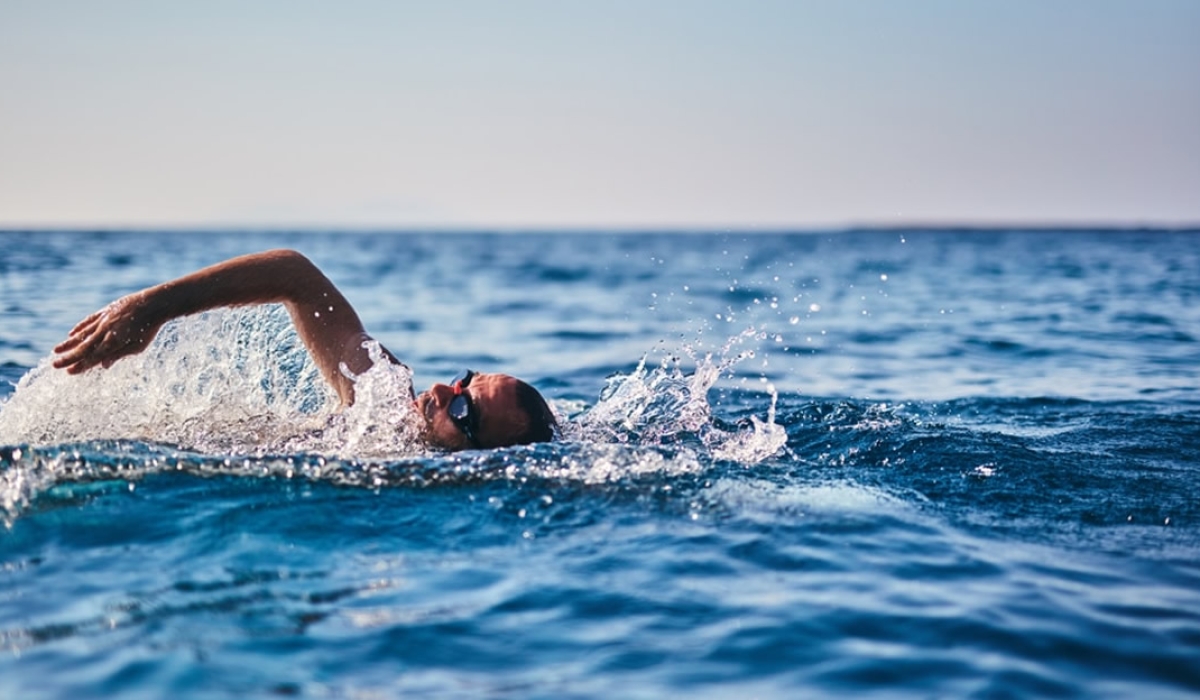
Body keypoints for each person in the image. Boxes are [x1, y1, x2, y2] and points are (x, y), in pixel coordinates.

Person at [50, 248, 557, 451]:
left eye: (465, 409)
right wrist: (152, 309)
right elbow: (294, 275)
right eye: (465, 380)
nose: (446, 390)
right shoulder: (379, 391)